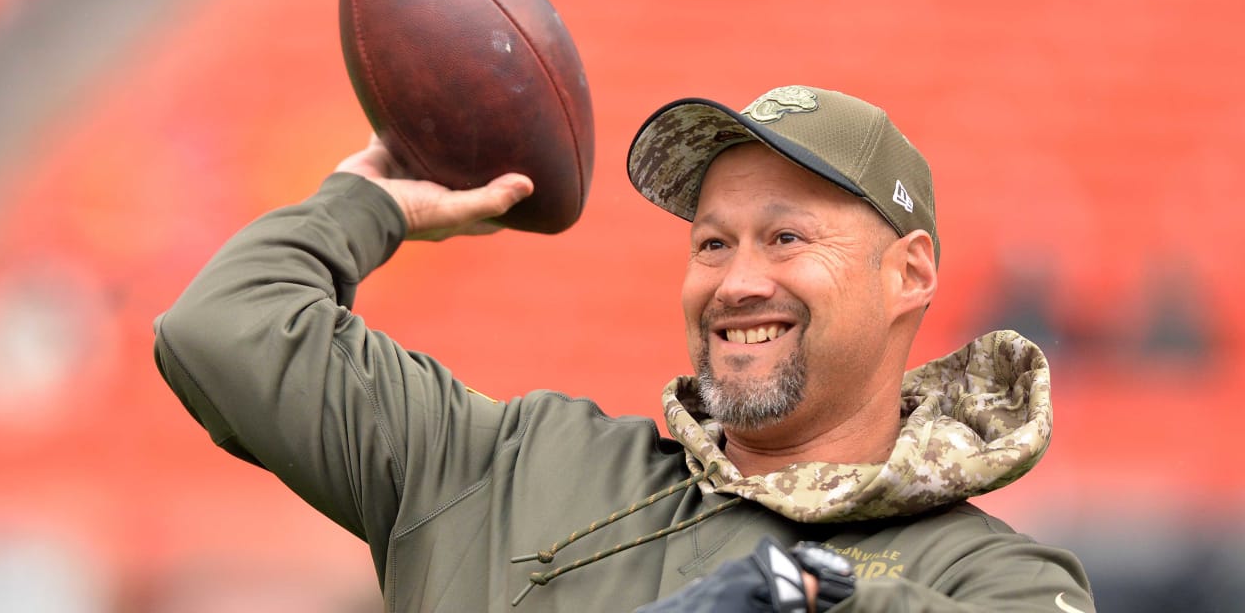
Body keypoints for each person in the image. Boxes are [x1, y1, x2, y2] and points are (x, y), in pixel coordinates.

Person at [154, 85, 1095, 611]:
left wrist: (814, 599)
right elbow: (222, 329)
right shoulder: (509, 467)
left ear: (910, 273)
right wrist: (371, 201)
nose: (737, 281)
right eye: (711, 243)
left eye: (787, 238)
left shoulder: (986, 578)